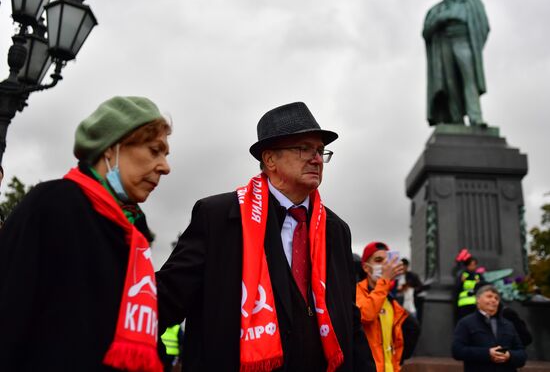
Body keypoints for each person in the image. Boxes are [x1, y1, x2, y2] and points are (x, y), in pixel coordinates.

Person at [156, 102, 375, 371]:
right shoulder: (218, 217)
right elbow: (167, 300)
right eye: (303, 148)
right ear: (270, 159)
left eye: (320, 150)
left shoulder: (336, 229)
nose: (316, 158)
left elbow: (348, 321)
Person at [0, 96, 171, 371]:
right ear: (111, 148)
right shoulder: (52, 204)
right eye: (154, 150)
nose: (165, 166)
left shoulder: (133, 228)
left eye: (165, 155)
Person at [422, 0, 490, 126]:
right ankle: (456, 119)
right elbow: (426, 33)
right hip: (444, 44)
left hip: (464, 41)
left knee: (469, 79)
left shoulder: (472, 3)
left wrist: (475, 46)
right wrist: (439, 21)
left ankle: (476, 117)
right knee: (450, 84)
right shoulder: (435, 10)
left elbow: (484, 26)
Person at [356, 242, 420, 372]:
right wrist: (385, 280)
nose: (385, 266)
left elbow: (411, 329)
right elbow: (366, 315)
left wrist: (397, 362)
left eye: (387, 261)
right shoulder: (356, 291)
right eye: (378, 260)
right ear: (366, 268)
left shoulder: (389, 299)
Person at [452, 285, 527, 372]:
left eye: (496, 298)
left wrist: (509, 355)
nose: (494, 300)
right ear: (478, 299)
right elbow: (457, 351)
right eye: (489, 296)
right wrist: (487, 353)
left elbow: (522, 354)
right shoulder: (466, 323)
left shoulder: (508, 325)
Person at [455, 256, 484, 321]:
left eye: (474, 265)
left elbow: (483, 288)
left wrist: (479, 283)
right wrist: (461, 281)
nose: (472, 267)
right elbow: (457, 288)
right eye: (471, 265)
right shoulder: (463, 275)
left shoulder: (478, 276)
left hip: (475, 304)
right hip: (464, 304)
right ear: (467, 265)